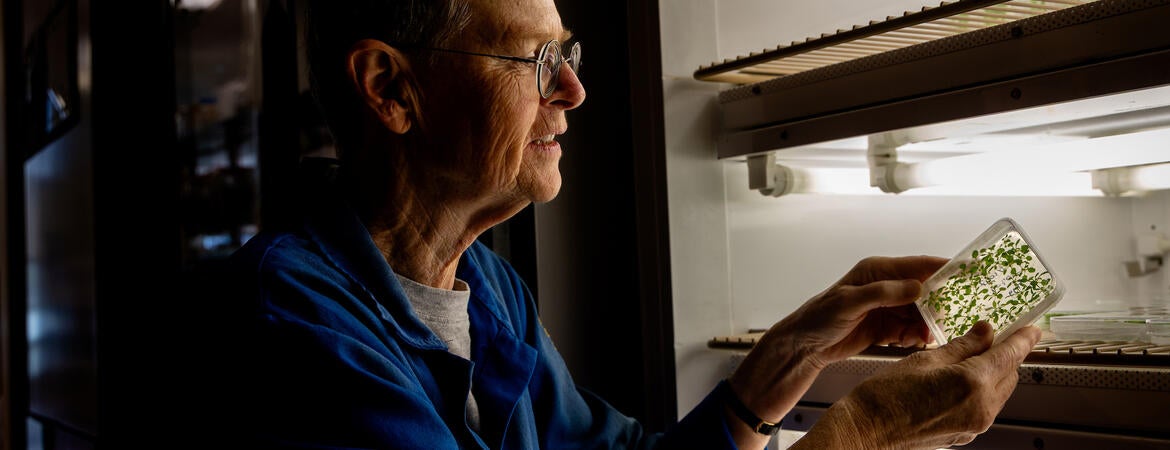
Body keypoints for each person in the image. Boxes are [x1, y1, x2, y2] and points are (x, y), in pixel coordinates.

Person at [219, 0, 1042, 448]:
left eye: (568, 57)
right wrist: (862, 434)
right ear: (393, 90)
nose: (573, 93)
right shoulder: (294, 324)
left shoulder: (488, 288)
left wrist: (790, 355)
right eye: (537, 62)